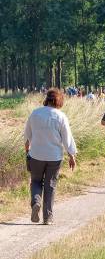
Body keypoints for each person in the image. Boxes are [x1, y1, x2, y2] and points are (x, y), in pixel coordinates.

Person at [24, 88, 77, 225]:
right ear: (59, 101)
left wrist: (27, 151)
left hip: (36, 154)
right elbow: (67, 139)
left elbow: (27, 135)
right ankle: (47, 217)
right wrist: (72, 155)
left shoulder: (35, 114)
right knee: (50, 185)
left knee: (35, 181)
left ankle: (36, 202)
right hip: (54, 157)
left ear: (46, 99)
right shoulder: (60, 116)